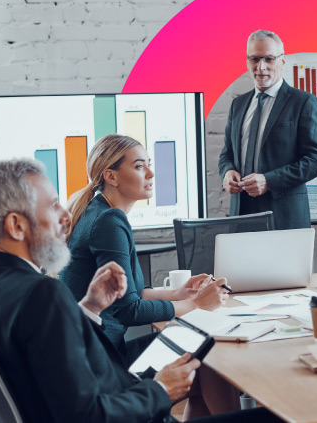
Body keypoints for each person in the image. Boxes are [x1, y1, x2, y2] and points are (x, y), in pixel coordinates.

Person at [0, 158, 281, 423]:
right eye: (53, 206)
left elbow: (38, 360)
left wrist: (89, 308)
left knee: (196, 363)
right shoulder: (41, 294)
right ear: (16, 226)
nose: (65, 215)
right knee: (280, 414)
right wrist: (160, 391)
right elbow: (85, 415)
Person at [60, 134, 228, 361]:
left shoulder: (96, 212)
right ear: (111, 176)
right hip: (103, 360)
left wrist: (176, 294)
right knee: (206, 344)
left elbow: (127, 294)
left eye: (149, 165)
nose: (151, 174)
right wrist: (195, 304)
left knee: (200, 349)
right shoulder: (108, 221)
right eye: (139, 167)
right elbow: (128, 310)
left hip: (94, 350)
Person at [218, 29, 317, 229]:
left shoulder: (303, 102)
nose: (261, 67)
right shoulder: (238, 105)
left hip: (284, 217)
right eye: (254, 59)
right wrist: (227, 172)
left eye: (269, 59)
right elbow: (227, 155)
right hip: (241, 215)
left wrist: (269, 181)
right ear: (247, 62)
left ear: (282, 62)